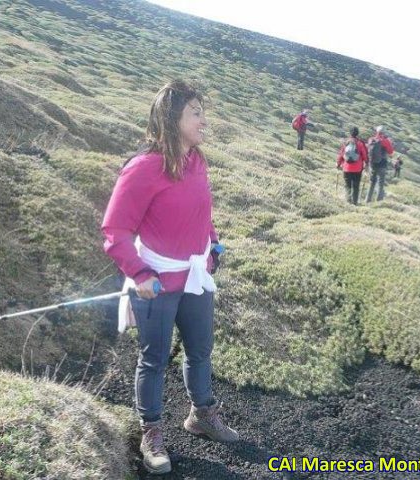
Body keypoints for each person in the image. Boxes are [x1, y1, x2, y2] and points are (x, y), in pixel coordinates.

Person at [101, 80, 238, 475]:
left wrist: (212, 243)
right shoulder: (143, 168)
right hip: (156, 282)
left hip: (194, 278)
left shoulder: (197, 160)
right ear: (171, 117)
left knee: (200, 350)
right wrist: (139, 273)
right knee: (154, 358)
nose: (203, 120)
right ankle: (152, 432)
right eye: (195, 112)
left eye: (202, 111)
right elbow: (115, 232)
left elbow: (201, 212)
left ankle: (201, 415)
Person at [336, 126, 368, 205]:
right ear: (357, 133)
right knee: (356, 186)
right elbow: (365, 155)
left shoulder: (346, 142)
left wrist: (338, 164)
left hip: (346, 168)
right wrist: (367, 163)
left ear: (350, 133)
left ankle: (348, 200)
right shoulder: (360, 143)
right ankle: (355, 202)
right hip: (358, 169)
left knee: (347, 185)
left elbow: (341, 154)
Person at [365, 125, 395, 203]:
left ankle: (368, 200)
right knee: (381, 182)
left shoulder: (371, 139)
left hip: (372, 164)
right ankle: (379, 201)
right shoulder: (385, 141)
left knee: (372, 182)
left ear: (376, 132)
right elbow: (391, 152)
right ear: (384, 132)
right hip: (382, 164)